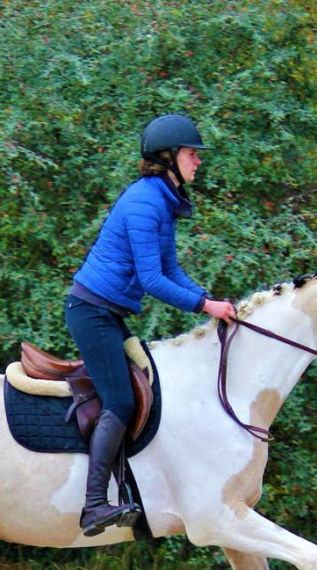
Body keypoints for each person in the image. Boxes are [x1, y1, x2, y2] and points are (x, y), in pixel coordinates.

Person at [65, 114, 237, 537]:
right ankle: (92, 507)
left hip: (107, 313)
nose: (198, 162)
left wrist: (211, 300)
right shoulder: (145, 202)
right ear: (168, 157)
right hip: (91, 312)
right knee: (120, 401)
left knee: (147, 385)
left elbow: (170, 268)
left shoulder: (162, 199)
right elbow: (152, 280)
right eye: (192, 154)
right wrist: (205, 307)